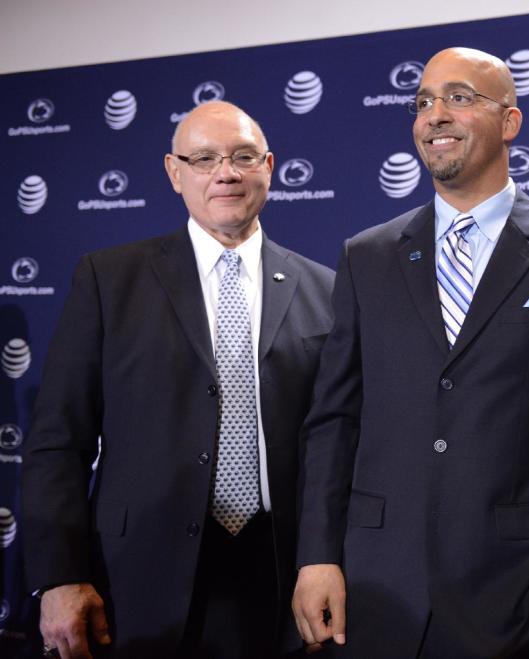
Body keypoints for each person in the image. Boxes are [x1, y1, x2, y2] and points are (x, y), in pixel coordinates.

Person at [291, 47, 529, 658]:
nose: (435, 115)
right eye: (423, 101)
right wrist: (318, 555)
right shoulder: (366, 257)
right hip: (375, 592)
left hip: (521, 594)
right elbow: (334, 421)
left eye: (458, 97)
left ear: (509, 122)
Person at [21, 100, 336, 659]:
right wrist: (59, 576)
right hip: (136, 579)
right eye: (205, 158)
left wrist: (326, 557)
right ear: (174, 172)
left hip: (281, 577)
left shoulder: (326, 290)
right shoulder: (109, 280)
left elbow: (336, 444)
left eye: (243, 156)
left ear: (269, 165)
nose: (227, 173)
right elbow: (58, 441)